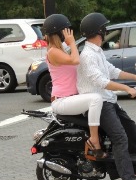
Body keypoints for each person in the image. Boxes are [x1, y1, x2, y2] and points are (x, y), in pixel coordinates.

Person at [77, 12, 136, 180]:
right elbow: (100, 81)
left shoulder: (96, 51)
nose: (106, 30)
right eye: (104, 27)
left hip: (107, 100)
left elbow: (111, 71)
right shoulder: (87, 55)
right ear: (99, 30)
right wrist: (126, 89)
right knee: (120, 137)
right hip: (98, 104)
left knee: (130, 128)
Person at [43, 14, 106, 158]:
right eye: (66, 31)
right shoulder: (53, 52)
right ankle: (94, 140)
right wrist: (71, 42)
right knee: (95, 99)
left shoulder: (61, 48)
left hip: (73, 98)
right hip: (62, 100)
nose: (69, 33)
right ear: (59, 33)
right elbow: (76, 60)